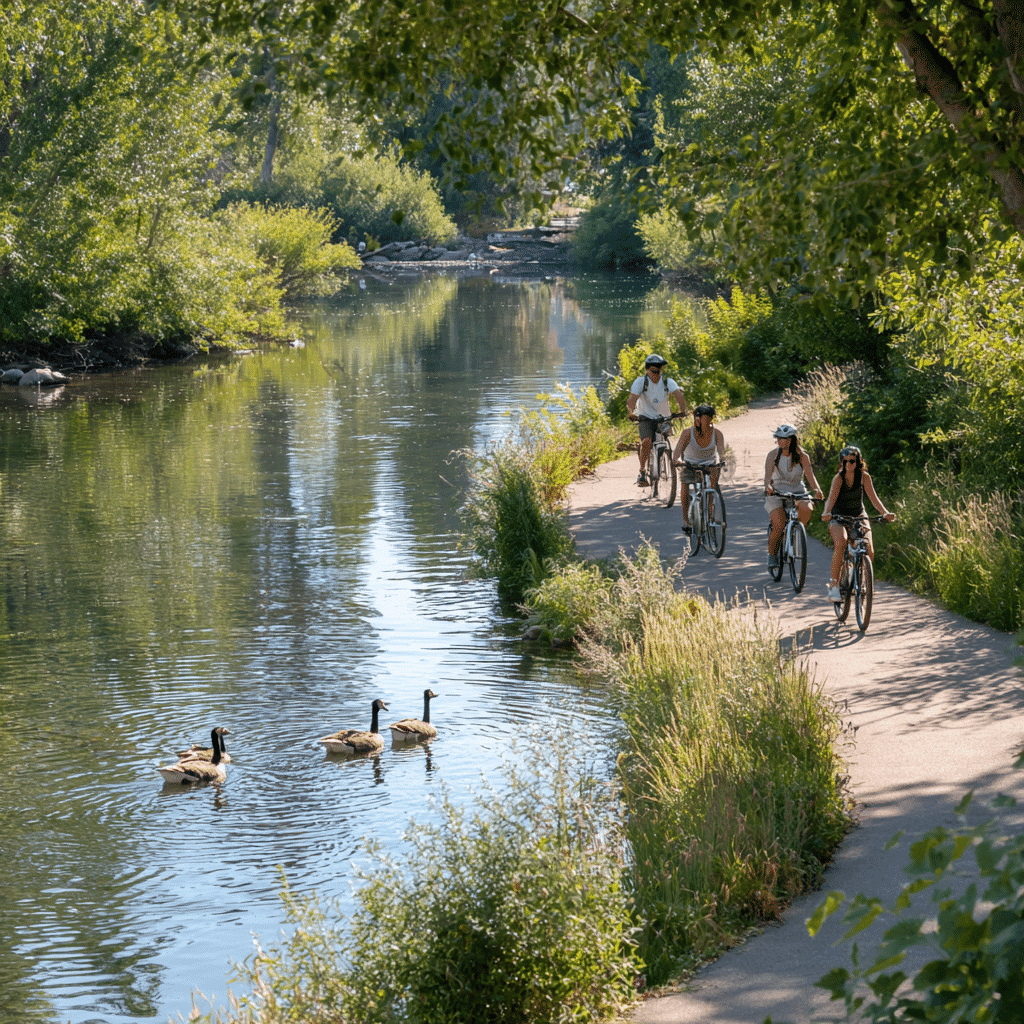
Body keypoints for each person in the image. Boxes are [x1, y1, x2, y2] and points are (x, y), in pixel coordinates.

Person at [821, 445, 896, 600]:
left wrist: (885, 513)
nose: (848, 464)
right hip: (839, 516)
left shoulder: (864, 477)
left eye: (852, 461)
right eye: (845, 461)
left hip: (858, 514)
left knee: (869, 550)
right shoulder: (839, 479)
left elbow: (874, 499)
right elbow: (830, 499)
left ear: (859, 461)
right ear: (841, 463)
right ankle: (834, 585)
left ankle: (860, 580)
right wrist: (826, 512)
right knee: (841, 542)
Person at [764, 424, 823, 570]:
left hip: (797, 490)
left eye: (783, 439)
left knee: (807, 507)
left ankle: (797, 532)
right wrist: (768, 487)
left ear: (791, 440)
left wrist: (817, 489)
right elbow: (767, 476)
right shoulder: (773, 455)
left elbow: (810, 475)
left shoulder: (803, 456)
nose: (780, 441)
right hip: (777, 492)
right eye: (778, 438)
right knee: (778, 524)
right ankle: (772, 555)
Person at [626, 354, 687, 486]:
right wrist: (631, 413)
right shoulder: (640, 382)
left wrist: (683, 410)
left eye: (660, 370)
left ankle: (663, 457)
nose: (657, 373)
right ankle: (642, 472)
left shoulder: (667, 382)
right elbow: (631, 400)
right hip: (645, 417)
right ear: (647, 371)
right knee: (647, 441)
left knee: (666, 436)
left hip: (663, 417)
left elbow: (678, 395)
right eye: (654, 371)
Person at [673, 403, 725, 535]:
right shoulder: (687, 433)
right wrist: (677, 460)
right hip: (690, 465)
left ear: (711, 419)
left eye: (708, 419)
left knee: (712, 489)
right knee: (685, 485)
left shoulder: (717, 433)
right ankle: (686, 520)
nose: (704, 422)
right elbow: (678, 450)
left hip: (710, 464)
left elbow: (721, 450)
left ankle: (709, 515)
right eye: (701, 418)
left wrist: (723, 460)